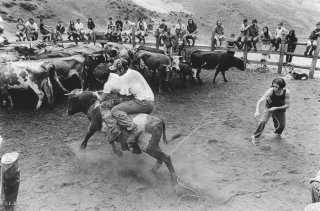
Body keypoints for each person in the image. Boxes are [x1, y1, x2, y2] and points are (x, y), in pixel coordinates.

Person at [93, 59, 155, 153]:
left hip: (143, 102)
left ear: (121, 69)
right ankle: (125, 140)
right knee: (119, 106)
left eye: (116, 70)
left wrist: (96, 95)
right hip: (148, 98)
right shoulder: (131, 72)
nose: (115, 73)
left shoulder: (124, 78)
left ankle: (133, 128)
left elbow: (121, 97)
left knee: (115, 110)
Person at [251, 78, 290, 146]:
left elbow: (287, 105)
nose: (274, 88)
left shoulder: (286, 92)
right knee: (262, 122)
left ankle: (278, 132)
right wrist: (257, 111)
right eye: (273, 86)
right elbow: (260, 101)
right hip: (269, 107)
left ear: (281, 87)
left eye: (276, 87)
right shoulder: (271, 91)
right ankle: (254, 136)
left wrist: (276, 108)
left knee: (282, 125)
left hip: (280, 108)